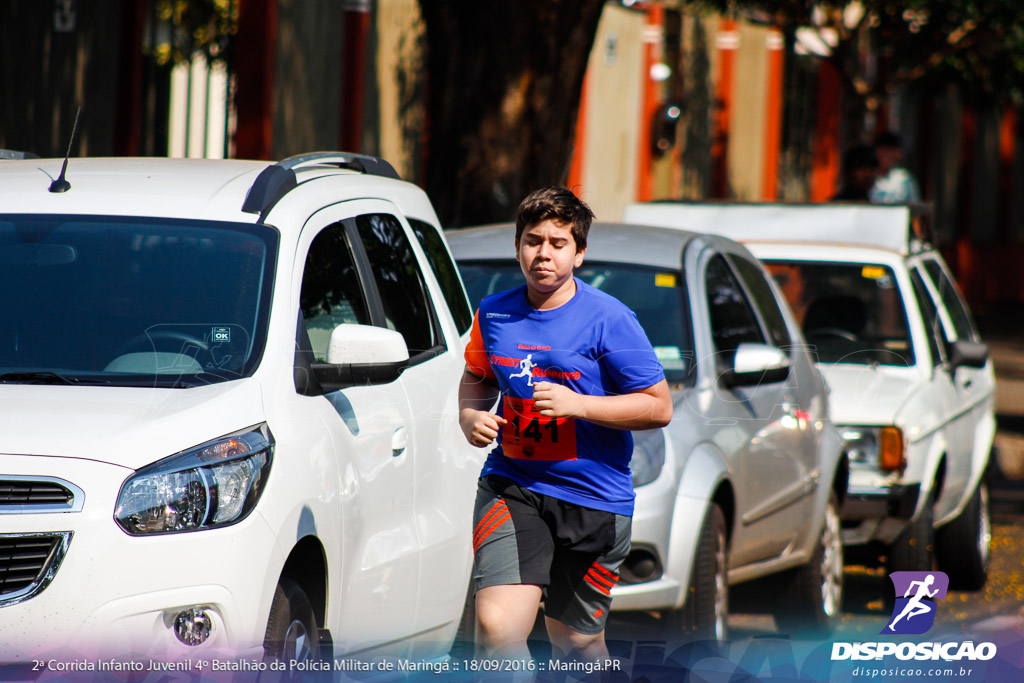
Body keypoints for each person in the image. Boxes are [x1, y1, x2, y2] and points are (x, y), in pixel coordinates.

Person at [458, 187, 673, 666]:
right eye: (534, 241)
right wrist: (469, 415)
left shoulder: (611, 319)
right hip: (514, 484)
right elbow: (476, 376)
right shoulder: (494, 313)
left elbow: (658, 407)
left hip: (594, 496)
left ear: (579, 253)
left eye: (558, 243)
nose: (543, 254)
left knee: (575, 645)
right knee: (496, 629)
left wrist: (578, 405)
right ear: (518, 247)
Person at [869, 131, 921, 204]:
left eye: (889, 151)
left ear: (897, 153)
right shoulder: (869, 177)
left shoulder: (904, 178)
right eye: (882, 151)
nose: (885, 155)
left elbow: (915, 208)